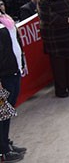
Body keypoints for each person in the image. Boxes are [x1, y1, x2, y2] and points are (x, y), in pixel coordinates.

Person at [0, 9, 27, 162]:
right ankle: (2, 151)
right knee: (2, 113)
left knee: (7, 111)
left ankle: (5, 143)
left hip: (13, 70)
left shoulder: (4, 17)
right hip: (3, 76)